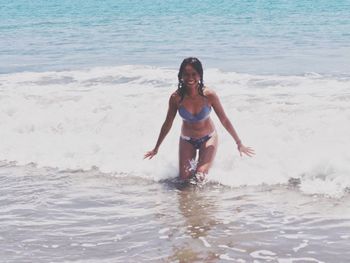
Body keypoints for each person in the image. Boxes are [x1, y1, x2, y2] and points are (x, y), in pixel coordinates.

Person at [144, 57, 254, 183]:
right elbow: (167, 123)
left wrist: (239, 143)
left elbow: (224, 120)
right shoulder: (176, 98)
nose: (190, 78)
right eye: (186, 74)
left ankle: (203, 201)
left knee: (200, 176)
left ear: (200, 75)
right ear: (181, 76)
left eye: (194, 74)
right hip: (187, 140)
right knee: (184, 180)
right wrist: (156, 148)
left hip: (208, 138)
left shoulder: (209, 95)